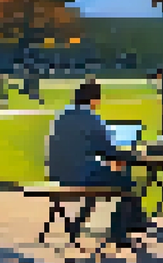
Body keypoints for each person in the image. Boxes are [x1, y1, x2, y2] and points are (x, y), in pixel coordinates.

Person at [44, 79, 147, 241]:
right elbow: (108, 151)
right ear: (93, 100)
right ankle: (121, 231)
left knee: (103, 175)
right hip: (79, 175)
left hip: (57, 174)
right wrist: (133, 156)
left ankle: (79, 223)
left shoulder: (62, 115)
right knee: (125, 181)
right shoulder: (90, 118)